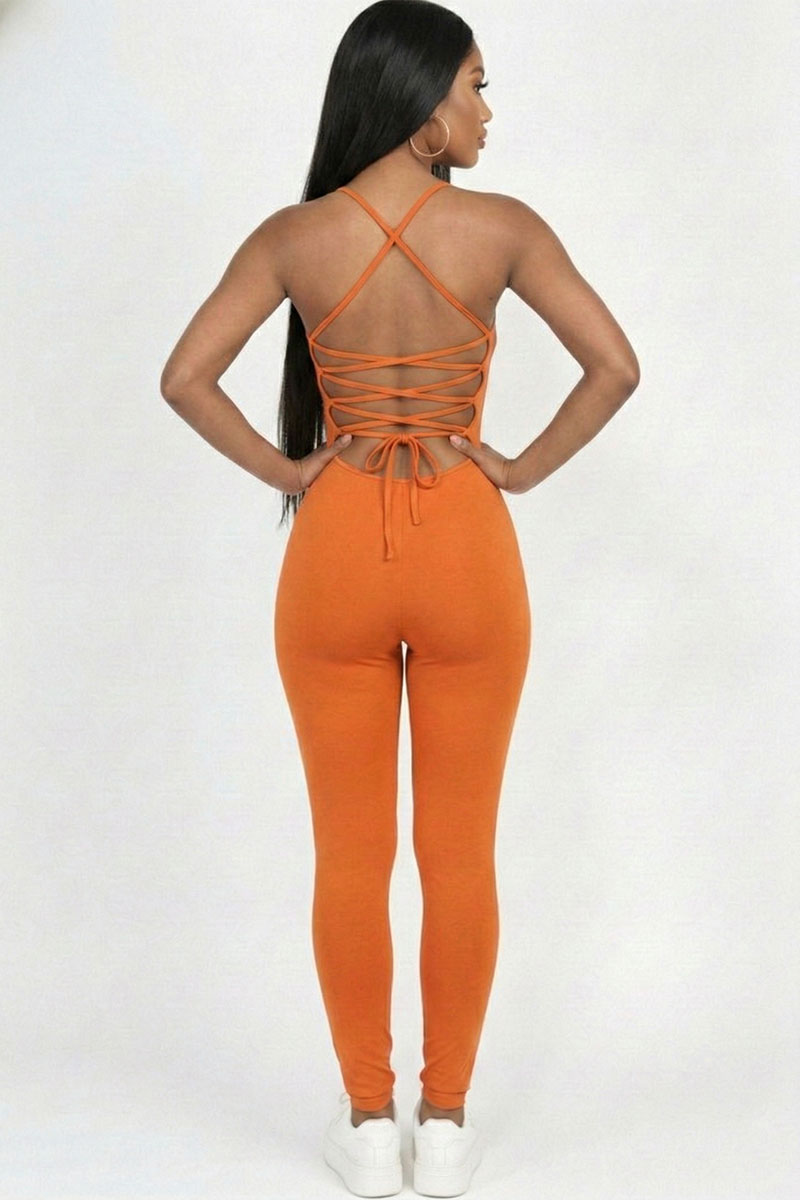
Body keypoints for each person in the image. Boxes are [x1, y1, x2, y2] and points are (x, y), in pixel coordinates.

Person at [160, 1, 640, 1194]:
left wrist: (289, 471)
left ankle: (369, 1128)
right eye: (475, 86)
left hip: (332, 556)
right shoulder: (503, 230)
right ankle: (449, 1126)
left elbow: (185, 377)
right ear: (422, 102)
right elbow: (615, 366)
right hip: (466, 547)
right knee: (459, 853)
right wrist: (515, 468)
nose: (486, 112)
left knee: (348, 854)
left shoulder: (294, 236)